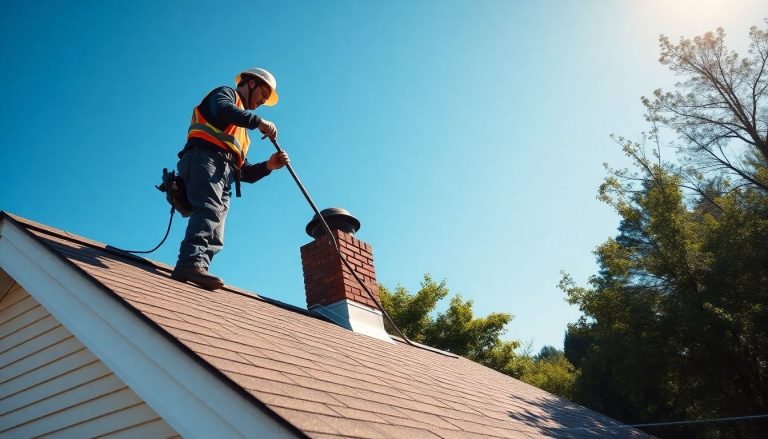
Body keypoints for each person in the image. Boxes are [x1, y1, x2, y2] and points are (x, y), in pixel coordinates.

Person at [170, 68, 289, 290]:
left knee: (217, 229)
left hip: (223, 171)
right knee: (209, 210)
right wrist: (259, 122)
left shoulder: (241, 133)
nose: (263, 101)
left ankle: (199, 267)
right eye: (263, 94)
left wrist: (269, 165)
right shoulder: (226, 95)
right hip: (204, 158)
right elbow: (223, 110)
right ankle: (190, 262)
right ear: (250, 84)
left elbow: (243, 173)